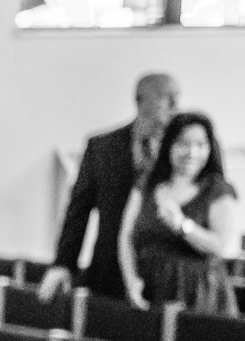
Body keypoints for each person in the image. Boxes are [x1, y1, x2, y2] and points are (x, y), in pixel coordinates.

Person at [40, 71, 179, 301]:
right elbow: (78, 210)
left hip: (163, 271)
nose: (175, 104)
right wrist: (64, 263)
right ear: (140, 100)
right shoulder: (103, 147)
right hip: (109, 266)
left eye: (177, 97)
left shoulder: (184, 149)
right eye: (166, 97)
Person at [120, 111, 240, 314]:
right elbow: (126, 236)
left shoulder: (218, 190)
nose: (192, 152)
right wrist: (130, 280)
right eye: (184, 143)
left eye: (201, 145)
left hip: (199, 295)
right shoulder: (148, 183)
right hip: (150, 289)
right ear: (169, 145)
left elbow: (223, 246)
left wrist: (183, 226)